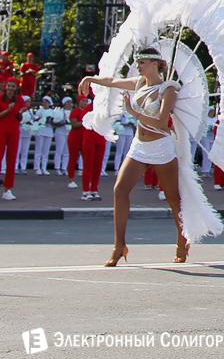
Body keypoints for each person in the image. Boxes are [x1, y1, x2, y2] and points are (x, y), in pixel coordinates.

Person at [79, 47, 189, 265]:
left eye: (142, 62)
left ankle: (182, 241)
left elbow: (160, 121)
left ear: (155, 64)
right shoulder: (139, 83)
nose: (138, 66)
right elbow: (112, 81)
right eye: (137, 62)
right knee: (119, 190)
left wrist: (133, 112)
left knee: (172, 198)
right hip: (139, 146)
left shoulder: (167, 89)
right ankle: (119, 247)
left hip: (161, 146)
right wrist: (90, 78)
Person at [0, 79, 26, 199]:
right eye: (8, 86)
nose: (10, 88)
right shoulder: (1, 98)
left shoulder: (19, 99)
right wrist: (8, 110)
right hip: (1, 129)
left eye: (12, 86)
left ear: (16, 88)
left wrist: (20, 111)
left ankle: (8, 189)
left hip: (14, 130)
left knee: (11, 159)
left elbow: (20, 116)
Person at [34, 96, 58, 175]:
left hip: (49, 131)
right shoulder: (39, 111)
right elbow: (36, 120)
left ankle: (44, 167)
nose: (44, 104)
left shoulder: (52, 112)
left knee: (46, 151)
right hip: (41, 130)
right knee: (38, 150)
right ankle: (37, 167)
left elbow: (55, 121)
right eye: (43, 102)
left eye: (46, 102)